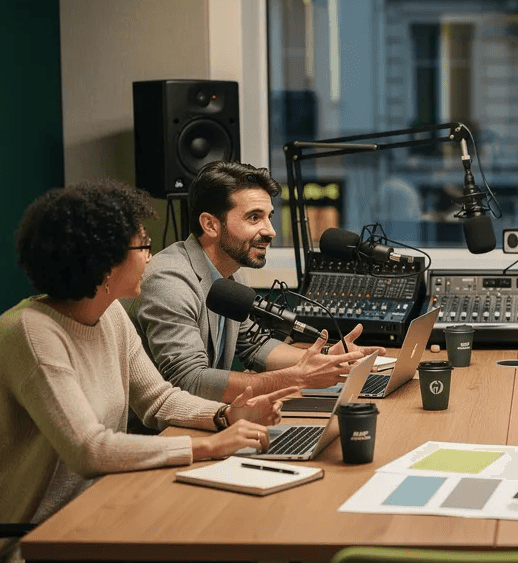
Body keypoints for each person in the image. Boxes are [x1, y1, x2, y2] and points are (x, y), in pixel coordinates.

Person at [0, 181, 294, 563]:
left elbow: (158, 398)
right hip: (22, 547)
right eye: (142, 246)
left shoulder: (109, 318)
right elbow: (89, 449)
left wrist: (226, 416)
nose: (150, 256)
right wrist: (206, 448)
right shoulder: (30, 335)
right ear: (102, 261)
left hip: (91, 517)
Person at [132, 160, 382, 405]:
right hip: (162, 435)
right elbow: (189, 382)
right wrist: (297, 378)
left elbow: (255, 345)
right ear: (210, 225)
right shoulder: (169, 280)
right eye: (254, 217)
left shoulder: (231, 269)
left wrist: (325, 357)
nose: (270, 230)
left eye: (269, 216)